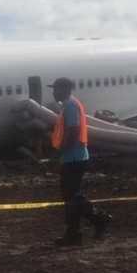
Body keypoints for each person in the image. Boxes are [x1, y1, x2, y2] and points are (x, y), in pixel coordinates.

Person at [49, 77, 111, 246]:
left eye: (55, 89)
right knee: (71, 195)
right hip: (74, 156)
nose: (53, 92)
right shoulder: (69, 105)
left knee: (71, 196)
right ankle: (81, 228)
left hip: (73, 157)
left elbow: (72, 132)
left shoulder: (69, 106)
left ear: (64, 89)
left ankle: (92, 222)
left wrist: (58, 155)